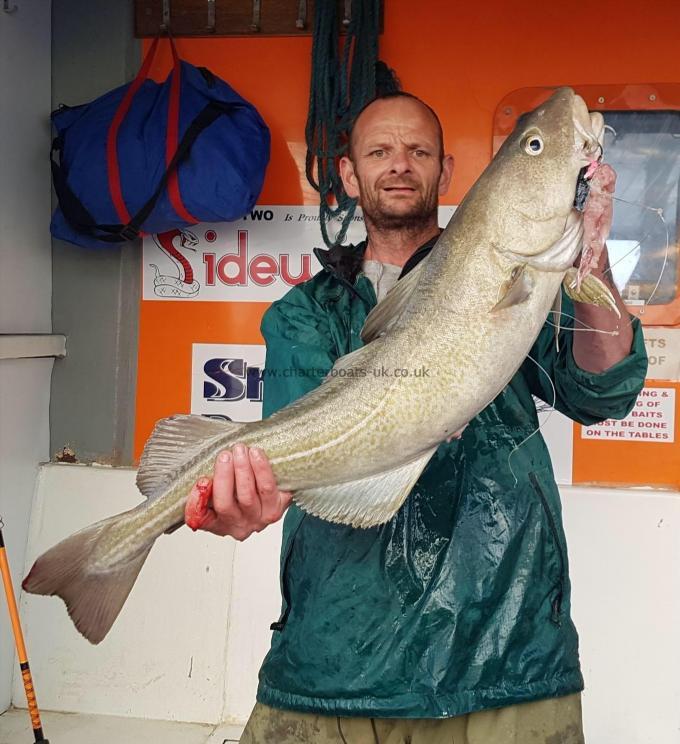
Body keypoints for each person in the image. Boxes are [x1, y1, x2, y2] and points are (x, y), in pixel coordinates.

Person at [185, 93, 648, 743]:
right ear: (349, 176)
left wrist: (590, 253)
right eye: (378, 152)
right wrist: (248, 496)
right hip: (332, 658)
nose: (399, 165)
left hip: (505, 652)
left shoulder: (528, 272)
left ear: (448, 171)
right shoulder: (303, 313)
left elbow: (603, 392)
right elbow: (294, 450)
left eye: (418, 151)